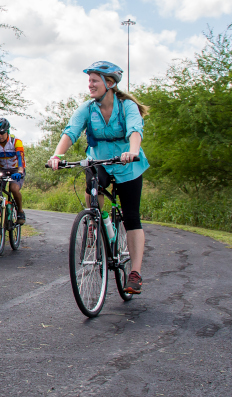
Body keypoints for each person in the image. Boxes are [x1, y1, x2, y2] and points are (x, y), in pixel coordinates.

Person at [48, 61, 149, 294]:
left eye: (94, 80)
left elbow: (135, 130)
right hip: (100, 161)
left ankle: (135, 273)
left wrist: (132, 151)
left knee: (132, 216)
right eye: (89, 80)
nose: (90, 84)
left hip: (127, 165)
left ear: (109, 83)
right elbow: (71, 131)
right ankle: (96, 221)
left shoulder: (127, 106)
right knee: (92, 185)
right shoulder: (87, 108)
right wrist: (57, 154)